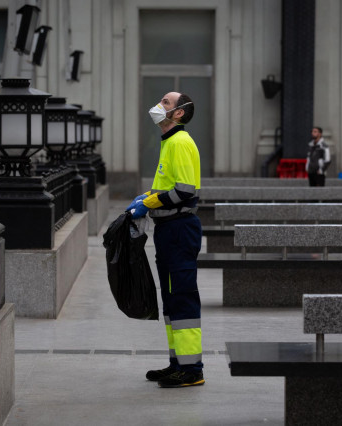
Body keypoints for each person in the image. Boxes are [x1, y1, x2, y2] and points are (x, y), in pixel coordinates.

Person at [126, 92, 204, 388]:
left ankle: (192, 369)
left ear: (179, 113)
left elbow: (184, 191)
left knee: (181, 296)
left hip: (179, 228)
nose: (159, 106)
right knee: (171, 298)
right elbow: (168, 186)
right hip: (169, 229)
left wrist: (150, 203)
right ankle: (178, 364)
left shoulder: (181, 142)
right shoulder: (170, 142)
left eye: (166, 103)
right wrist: (148, 197)